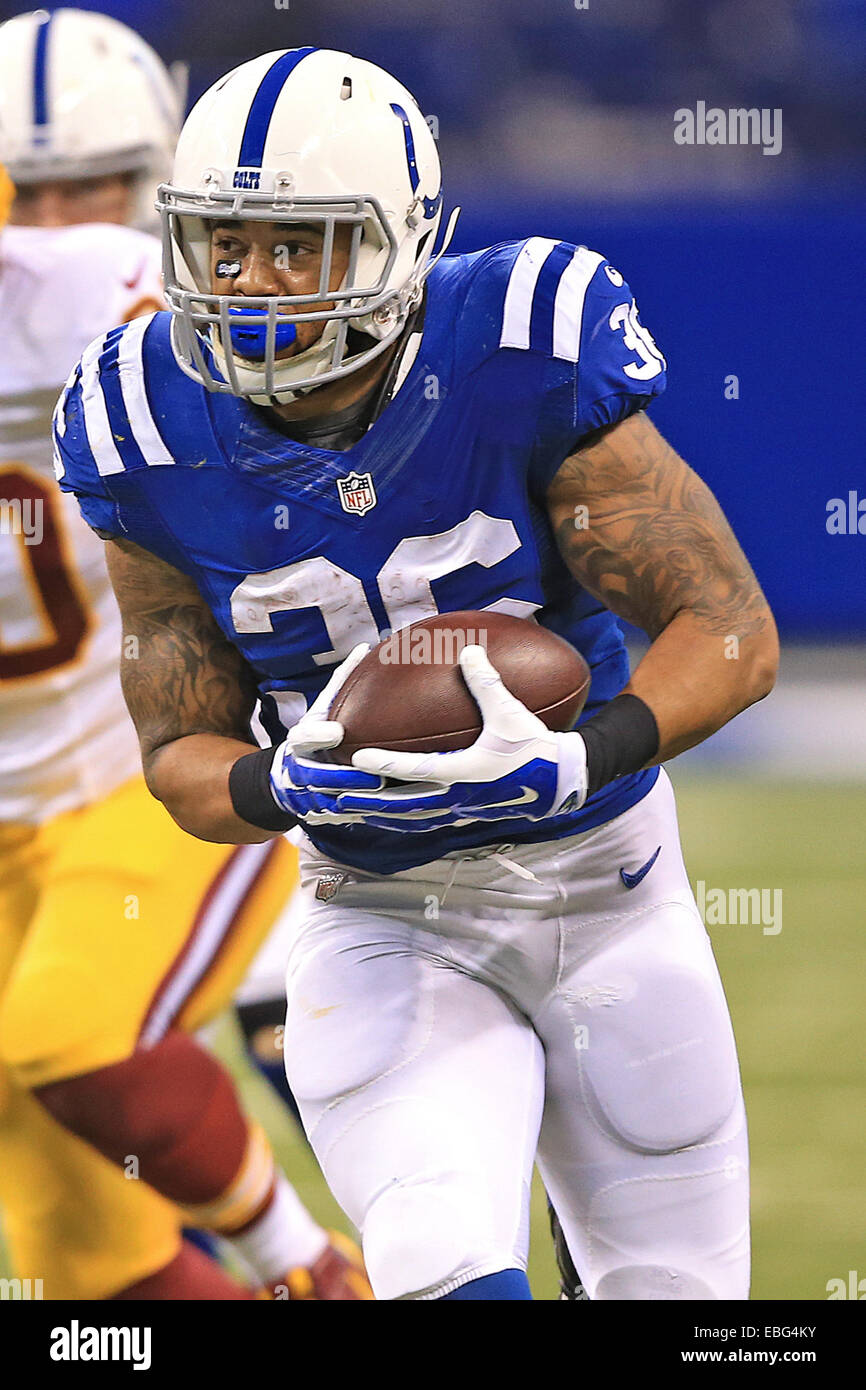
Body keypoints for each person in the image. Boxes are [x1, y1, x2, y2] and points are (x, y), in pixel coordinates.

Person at [55, 45, 779, 1301]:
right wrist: (291, 788)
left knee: (676, 1295)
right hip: (382, 917)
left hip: (606, 888)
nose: (251, 282)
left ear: (398, 239)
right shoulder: (140, 420)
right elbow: (178, 755)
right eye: (224, 245)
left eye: (299, 245)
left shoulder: (518, 343)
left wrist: (577, 757)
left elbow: (727, 630)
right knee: (444, 1269)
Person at [0, 12, 370, 1301]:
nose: (61, 217)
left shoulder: (128, 297)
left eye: (93, 186)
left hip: (149, 766)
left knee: (112, 1039)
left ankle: (327, 1266)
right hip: (19, 802)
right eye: (31, 190)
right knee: (76, 1254)